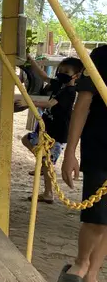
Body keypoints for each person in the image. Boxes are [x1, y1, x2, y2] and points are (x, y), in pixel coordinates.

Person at [59, 44, 107, 282]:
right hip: (100, 147)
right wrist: (69, 153)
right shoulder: (101, 56)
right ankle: (79, 264)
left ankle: (92, 276)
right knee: (96, 217)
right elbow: (83, 104)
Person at [19, 55, 84, 203]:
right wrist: (31, 60)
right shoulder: (60, 85)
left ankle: (48, 193)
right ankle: (42, 164)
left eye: (66, 72)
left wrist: (29, 102)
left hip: (57, 134)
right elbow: (43, 76)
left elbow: (50, 104)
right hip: (46, 129)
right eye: (60, 70)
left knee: (48, 163)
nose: (61, 74)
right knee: (26, 140)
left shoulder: (69, 92)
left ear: (77, 75)